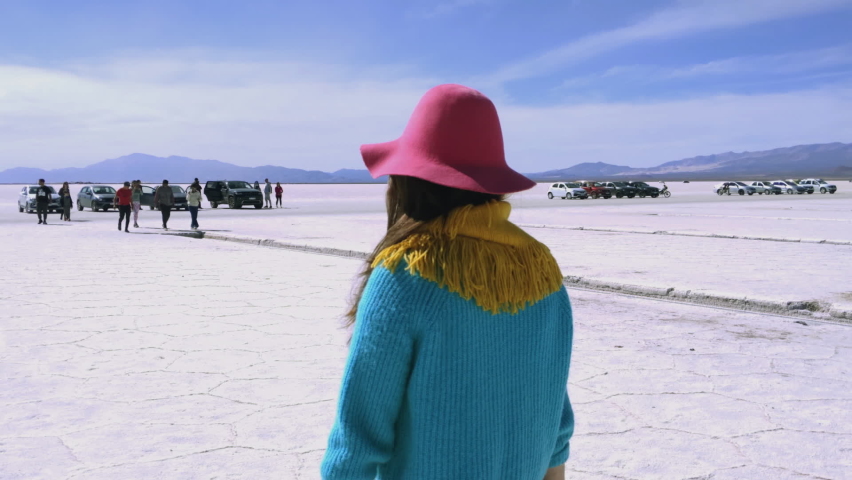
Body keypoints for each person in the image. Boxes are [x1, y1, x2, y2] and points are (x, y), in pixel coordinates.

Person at [320, 84, 574, 480]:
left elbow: (360, 435)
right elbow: (555, 409)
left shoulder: (406, 273)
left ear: (409, 178)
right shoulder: (542, 269)